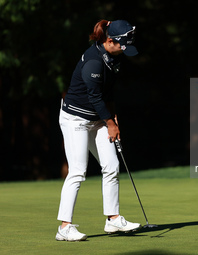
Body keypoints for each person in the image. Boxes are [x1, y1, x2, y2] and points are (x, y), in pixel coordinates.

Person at [55, 19, 141, 242]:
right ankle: (64, 227)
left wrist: (113, 118)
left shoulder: (113, 58)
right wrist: (109, 123)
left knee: (111, 165)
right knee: (78, 171)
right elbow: (94, 96)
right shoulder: (94, 61)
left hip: (97, 118)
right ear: (109, 40)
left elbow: (108, 92)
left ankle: (113, 219)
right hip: (75, 119)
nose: (124, 51)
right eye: (122, 46)